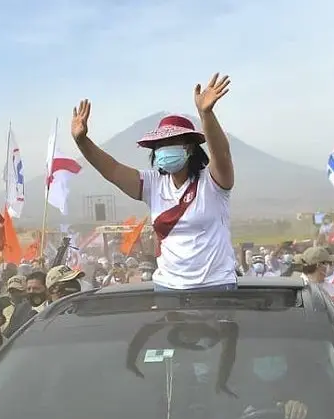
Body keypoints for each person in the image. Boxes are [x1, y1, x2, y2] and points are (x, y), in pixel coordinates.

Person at [71, 73, 237, 291]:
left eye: (173, 142)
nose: (165, 148)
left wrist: (206, 114)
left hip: (215, 285)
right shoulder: (153, 184)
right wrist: (82, 141)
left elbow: (222, 154)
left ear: (189, 147)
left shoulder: (214, 182)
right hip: (167, 287)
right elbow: (112, 170)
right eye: (160, 144)